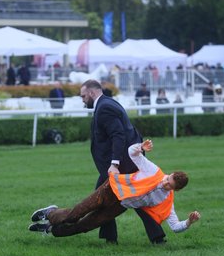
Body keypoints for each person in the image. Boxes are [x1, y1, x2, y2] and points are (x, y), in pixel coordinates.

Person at [29, 140, 201, 243]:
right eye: (167, 178)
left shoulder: (166, 201)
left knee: (84, 226)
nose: (165, 183)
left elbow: (175, 227)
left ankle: (51, 230)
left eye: (169, 185)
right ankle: (51, 212)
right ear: (169, 174)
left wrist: (189, 222)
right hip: (110, 190)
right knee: (75, 215)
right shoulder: (153, 170)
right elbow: (132, 153)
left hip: (119, 206)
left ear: (175, 190)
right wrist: (140, 146)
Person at [79, 79, 167, 244]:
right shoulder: (108, 103)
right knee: (124, 198)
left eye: (83, 96)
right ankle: (153, 237)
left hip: (120, 165)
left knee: (103, 199)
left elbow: (118, 135)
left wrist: (114, 164)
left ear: (91, 93)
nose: (82, 100)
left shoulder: (104, 108)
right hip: (125, 162)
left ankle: (112, 239)